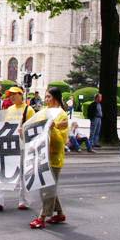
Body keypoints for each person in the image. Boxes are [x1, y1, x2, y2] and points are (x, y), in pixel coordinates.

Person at [0, 86, 34, 211]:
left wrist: (24, 132)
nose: (11, 97)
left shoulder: (29, 110)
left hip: (23, 146)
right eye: (10, 95)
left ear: (21, 94)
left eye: (14, 94)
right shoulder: (9, 110)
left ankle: (24, 201)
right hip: (9, 145)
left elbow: (33, 128)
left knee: (24, 173)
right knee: (3, 170)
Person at [29, 87, 69, 229]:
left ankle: (42, 217)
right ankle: (60, 213)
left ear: (56, 98)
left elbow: (62, 140)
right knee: (47, 186)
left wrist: (53, 128)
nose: (46, 99)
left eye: (49, 97)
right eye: (45, 97)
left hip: (54, 157)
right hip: (41, 154)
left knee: (47, 188)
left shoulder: (62, 115)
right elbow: (33, 127)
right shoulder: (43, 112)